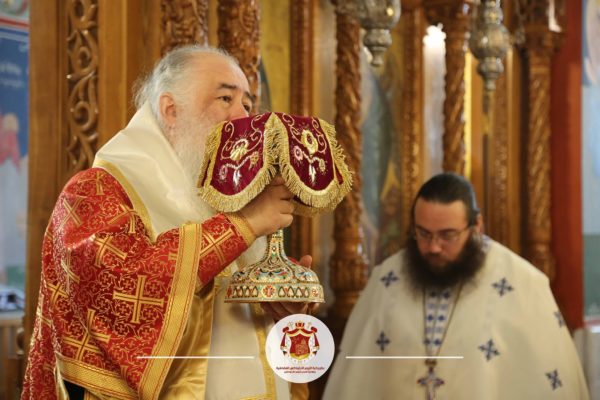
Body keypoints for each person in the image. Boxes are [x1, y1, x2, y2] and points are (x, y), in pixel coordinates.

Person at [23, 45, 314, 400]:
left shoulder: (235, 198)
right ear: (170, 110)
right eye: (225, 98)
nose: (243, 117)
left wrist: (283, 309)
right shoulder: (96, 191)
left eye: (248, 104)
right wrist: (244, 225)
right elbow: (118, 292)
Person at [323, 173, 590, 399]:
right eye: (423, 234)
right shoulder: (387, 280)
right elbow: (357, 377)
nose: (433, 247)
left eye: (447, 235)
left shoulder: (522, 284)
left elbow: (551, 380)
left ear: (476, 226)